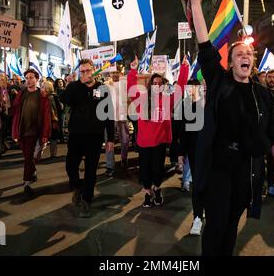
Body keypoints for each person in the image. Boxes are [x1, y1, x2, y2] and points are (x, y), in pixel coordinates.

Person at [189, 0, 274, 256]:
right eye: (239, 54)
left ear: (253, 61)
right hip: (218, 167)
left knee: (233, 223)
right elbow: (204, 43)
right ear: (231, 61)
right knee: (216, 224)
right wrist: (195, 2)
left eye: (249, 54)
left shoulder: (264, 95)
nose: (245, 57)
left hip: (247, 171)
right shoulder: (219, 81)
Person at [127, 56, 189, 208]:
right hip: (143, 143)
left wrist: (185, 68)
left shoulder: (168, 99)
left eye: (160, 84)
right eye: (154, 83)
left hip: (159, 143)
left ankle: (157, 189)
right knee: (145, 171)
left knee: (157, 169)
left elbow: (180, 87)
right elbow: (130, 88)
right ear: (150, 86)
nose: (157, 86)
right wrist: (133, 70)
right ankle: (148, 192)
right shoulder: (141, 99)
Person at [61, 59, 115, 218]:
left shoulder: (103, 89)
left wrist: (110, 138)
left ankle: (86, 200)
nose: (85, 74)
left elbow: (109, 114)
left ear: (94, 70)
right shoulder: (75, 87)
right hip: (76, 134)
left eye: (88, 70)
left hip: (95, 136)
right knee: (71, 165)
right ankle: (77, 187)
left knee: (91, 170)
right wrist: (70, 84)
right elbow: (64, 99)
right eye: (82, 71)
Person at [12, 69, 51, 194]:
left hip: (34, 131)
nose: (28, 80)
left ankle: (27, 182)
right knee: (27, 156)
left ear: (36, 79)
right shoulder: (21, 94)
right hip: (22, 130)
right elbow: (15, 112)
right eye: (27, 78)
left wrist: (45, 134)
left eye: (31, 78)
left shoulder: (42, 95)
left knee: (28, 157)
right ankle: (32, 172)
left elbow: (46, 116)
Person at [178, 79, 206, 235]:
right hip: (195, 153)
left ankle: (209, 212)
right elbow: (184, 131)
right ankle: (197, 217)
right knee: (198, 186)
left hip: (215, 155)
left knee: (211, 186)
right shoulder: (190, 106)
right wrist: (181, 153)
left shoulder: (217, 107)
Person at [40, 80, 62, 158]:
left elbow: (59, 108)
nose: (41, 88)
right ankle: (39, 155)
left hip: (52, 120)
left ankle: (53, 155)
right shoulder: (41, 96)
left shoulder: (53, 96)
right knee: (44, 138)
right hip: (45, 120)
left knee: (53, 138)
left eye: (43, 86)